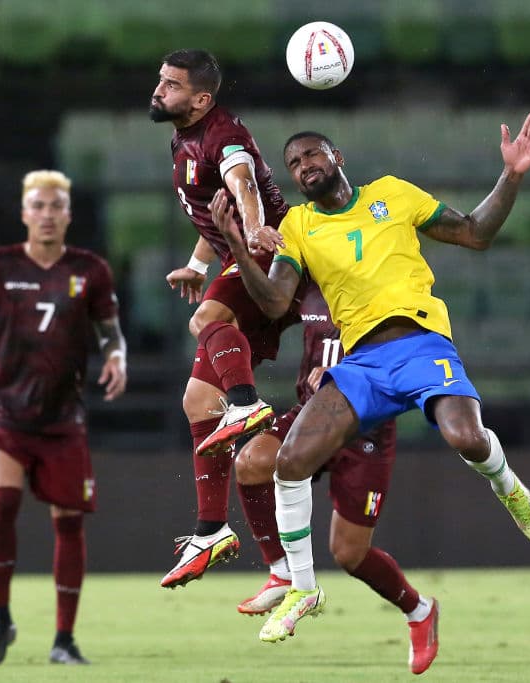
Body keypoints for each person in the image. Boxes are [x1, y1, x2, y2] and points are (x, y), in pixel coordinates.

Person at [209, 113, 530, 650]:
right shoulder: (299, 226)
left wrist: (511, 176)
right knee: (288, 461)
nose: (304, 167)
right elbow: (276, 300)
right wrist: (234, 239)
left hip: (421, 343)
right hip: (361, 364)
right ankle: (302, 588)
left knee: (466, 438)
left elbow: (474, 233)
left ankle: (508, 486)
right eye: (294, 164)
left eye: (313, 154)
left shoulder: (391, 194)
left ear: (337, 157)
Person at [0, 170, 128, 666]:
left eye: (56, 206)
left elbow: (111, 332)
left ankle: (63, 640)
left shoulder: (91, 270)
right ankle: (1, 620)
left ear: (68, 214)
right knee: (2, 504)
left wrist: (117, 358)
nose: (47, 215)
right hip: (6, 413)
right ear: (25, 213)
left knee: (69, 524)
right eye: (39, 206)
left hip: (64, 418)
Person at [149, 48, 302, 589]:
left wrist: (256, 228)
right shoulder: (184, 137)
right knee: (196, 400)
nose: (159, 90)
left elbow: (242, 183)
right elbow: (213, 207)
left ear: (202, 98)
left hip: (271, 256)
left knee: (205, 319)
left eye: (171, 85)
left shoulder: (222, 133)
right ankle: (212, 530)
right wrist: (196, 263)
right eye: (161, 81)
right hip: (241, 252)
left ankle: (247, 404)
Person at [235, 281, 440, 675]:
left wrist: (347, 373)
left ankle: (420, 610)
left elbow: (405, 354)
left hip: (367, 429)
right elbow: (265, 302)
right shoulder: (306, 278)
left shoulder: (383, 286)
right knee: (252, 462)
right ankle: (281, 572)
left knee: (349, 553)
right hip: (311, 415)